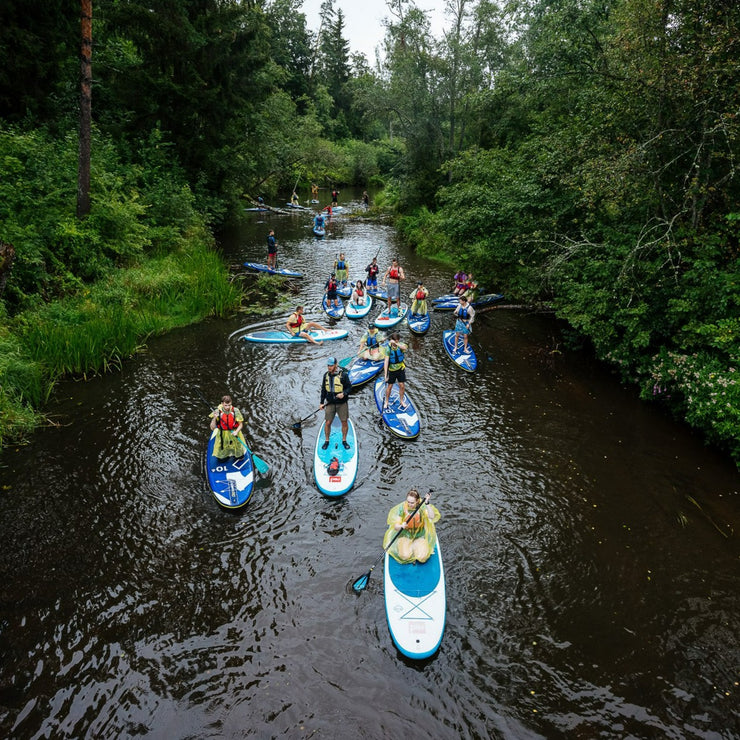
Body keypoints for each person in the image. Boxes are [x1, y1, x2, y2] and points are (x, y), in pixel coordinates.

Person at [383, 489, 440, 564]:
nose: (409, 504)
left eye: (412, 503)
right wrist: (401, 525)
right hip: (406, 536)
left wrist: (427, 503)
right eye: (408, 502)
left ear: (417, 501)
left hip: (419, 536)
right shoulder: (402, 508)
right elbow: (396, 527)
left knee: (422, 557)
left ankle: (415, 548)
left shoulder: (422, 508)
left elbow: (432, 516)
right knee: (404, 556)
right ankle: (409, 547)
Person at [320, 357, 352, 450]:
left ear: (336, 365)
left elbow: (349, 388)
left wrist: (344, 393)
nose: (329, 367)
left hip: (341, 403)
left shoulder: (343, 375)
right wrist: (321, 402)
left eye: (331, 365)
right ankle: (326, 441)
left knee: (344, 422)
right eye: (328, 365)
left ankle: (344, 440)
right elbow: (323, 390)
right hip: (330, 403)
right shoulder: (325, 375)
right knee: (328, 422)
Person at [209, 395, 247, 464]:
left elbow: (241, 424)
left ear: (231, 403)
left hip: (234, 432)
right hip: (222, 434)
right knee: (221, 458)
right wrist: (215, 418)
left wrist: (236, 431)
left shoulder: (235, 411)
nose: (227, 407)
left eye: (229, 405)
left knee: (240, 456)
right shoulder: (217, 412)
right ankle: (224, 456)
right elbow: (212, 427)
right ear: (222, 403)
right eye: (226, 405)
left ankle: (237, 455)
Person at [383, 332, 409, 411]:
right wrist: (385, 375)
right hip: (392, 370)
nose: (396, 342)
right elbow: (386, 361)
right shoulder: (388, 348)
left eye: (397, 340)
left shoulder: (401, 345)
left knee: (402, 385)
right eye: (395, 340)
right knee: (390, 386)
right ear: (391, 340)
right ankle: (386, 401)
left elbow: (404, 348)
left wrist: (396, 344)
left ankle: (401, 401)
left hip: (400, 368)